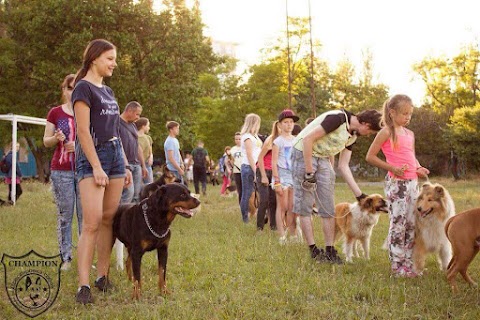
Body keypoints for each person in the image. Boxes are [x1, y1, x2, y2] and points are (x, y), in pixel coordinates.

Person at [72, 39, 132, 304]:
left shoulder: (107, 91)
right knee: (92, 221)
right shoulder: (82, 88)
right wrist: (96, 166)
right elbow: (83, 131)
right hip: (92, 156)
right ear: (95, 58)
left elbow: (115, 130)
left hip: (116, 155)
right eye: (110, 58)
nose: (114, 63)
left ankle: (102, 276)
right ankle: (83, 285)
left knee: (108, 218)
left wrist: (126, 163)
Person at [292, 108, 382, 264]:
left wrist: (359, 195)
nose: (368, 135)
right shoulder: (338, 119)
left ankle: (329, 250)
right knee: (305, 205)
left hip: (322, 158)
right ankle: (313, 250)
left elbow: (343, 166)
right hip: (303, 154)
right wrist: (308, 172)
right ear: (366, 124)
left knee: (327, 207)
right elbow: (307, 140)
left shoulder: (352, 136)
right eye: (371, 132)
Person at [366, 94, 429, 277]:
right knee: (398, 223)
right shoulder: (387, 132)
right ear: (392, 113)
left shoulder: (410, 134)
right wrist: (392, 168)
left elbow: (411, 155)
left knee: (411, 223)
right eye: (404, 113)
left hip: (412, 184)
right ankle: (397, 264)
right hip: (397, 184)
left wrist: (418, 168)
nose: (408, 117)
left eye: (410, 114)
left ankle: (409, 263)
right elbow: (370, 156)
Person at [43, 74, 83, 271]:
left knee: (85, 216)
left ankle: (84, 257)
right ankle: (65, 257)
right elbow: (46, 141)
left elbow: (94, 140)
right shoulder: (55, 113)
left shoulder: (86, 112)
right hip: (62, 171)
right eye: (69, 88)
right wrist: (56, 138)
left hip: (85, 171)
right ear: (64, 90)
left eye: (76, 88)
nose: (72, 92)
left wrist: (78, 146)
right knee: (66, 215)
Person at [272, 110, 300, 244]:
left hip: (294, 175)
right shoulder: (278, 141)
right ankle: (282, 235)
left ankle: (293, 233)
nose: (289, 125)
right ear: (280, 125)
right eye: (286, 122)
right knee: (282, 206)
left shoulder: (296, 140)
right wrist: (277, 181)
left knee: (292, 207)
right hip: (282, 175)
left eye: (291, 122)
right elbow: (274, 162)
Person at [119, 101, 145, 203]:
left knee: (136, 195)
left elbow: (137, 145)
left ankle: (132, 218)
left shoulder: (133, 125)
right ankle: (120, 217)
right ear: (129, 111)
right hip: (125, 165)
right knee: (127, 193)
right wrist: (125, 166)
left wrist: (143, 165)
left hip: (136, 164)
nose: (138, 117)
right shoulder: (116, 123)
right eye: (137, 114)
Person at [256, 121, 280, 231]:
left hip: (275, 171)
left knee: (274, 200)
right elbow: (260, 157)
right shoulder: (271, 139)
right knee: (264, 200)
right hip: (264, 170)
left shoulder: (286, 140)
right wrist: (264, 176)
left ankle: (273, 226)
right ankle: (259, 227)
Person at [240, 113, 263, 223]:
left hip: (257, 165)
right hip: (249, 167)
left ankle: (256, 213)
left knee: (256, 192)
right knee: (247, 193)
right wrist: (255, 171)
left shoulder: (255, 136)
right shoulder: (247, 137)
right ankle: (245, 218)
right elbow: (249, 155)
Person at [136, 117, 154, 184]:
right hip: (138, 164)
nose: (149, 128)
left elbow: (150, 150)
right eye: (148, 126)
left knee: (150, 183)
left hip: (147, 164)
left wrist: (151, 157)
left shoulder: (148, 138)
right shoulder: (135, 137)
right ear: (143, 126)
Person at [230, 132, 243, 204]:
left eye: (239, 139)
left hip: (245, 171)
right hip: (237, 171)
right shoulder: (233, 149)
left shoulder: (245, 148)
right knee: (239, 189)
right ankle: (241, 205)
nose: (238, 140)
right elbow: (231, 160)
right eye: (236, 139)